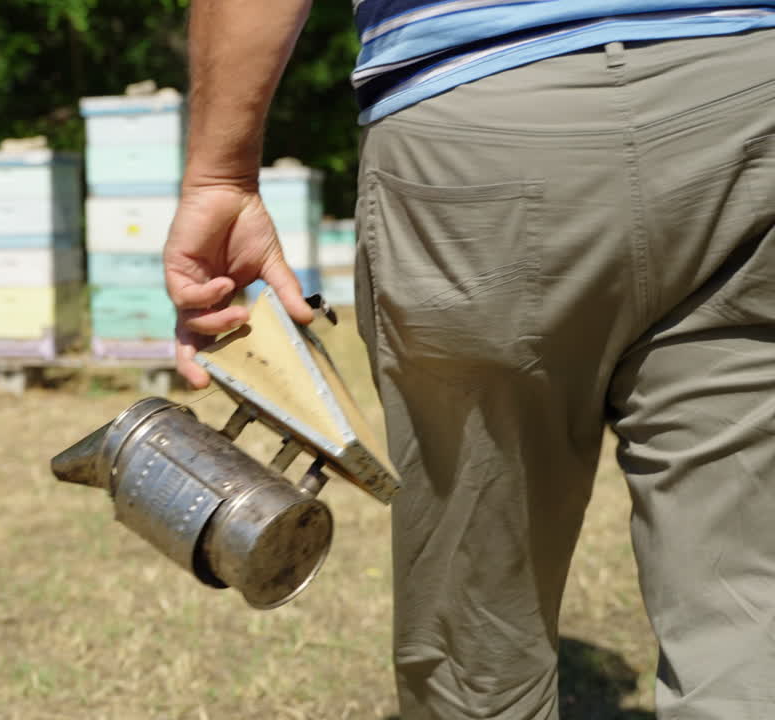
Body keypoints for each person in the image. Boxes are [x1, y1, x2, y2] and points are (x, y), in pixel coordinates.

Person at [163, 1, 775, 717]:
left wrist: (219, 176)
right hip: (743, 99)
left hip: (479, 119)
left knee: (475, 630)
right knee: (747, 604)